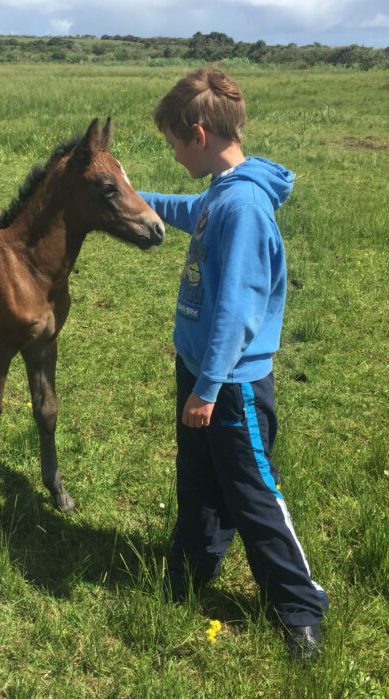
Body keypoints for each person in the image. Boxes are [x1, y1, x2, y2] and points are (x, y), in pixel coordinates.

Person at [138, 66, 328, 662]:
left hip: (230, 384)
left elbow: (237, 312)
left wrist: (209, 388)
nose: (172, 155)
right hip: (200, 373)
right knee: (197, 482)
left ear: (197, 135)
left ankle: (299, 605)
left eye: (172, 144)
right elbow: (192, 210)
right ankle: (191, 570)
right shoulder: (223, 192)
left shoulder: (244, 206)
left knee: (251, 493)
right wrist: (131, 197)